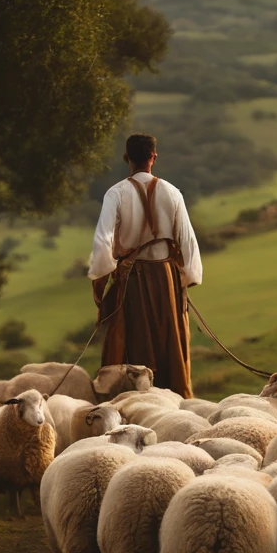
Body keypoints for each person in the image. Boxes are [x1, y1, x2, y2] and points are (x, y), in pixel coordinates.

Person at [87, 133, 203, 397]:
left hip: (131, 280)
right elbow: (188, 242)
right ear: (154, 156)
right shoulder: (172, 192)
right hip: (166, 278)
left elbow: (102, 242)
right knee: (170, 343)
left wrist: (101, 284)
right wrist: (185, 278)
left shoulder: (115, 193)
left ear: (127, 158)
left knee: (131, 343)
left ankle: (131, 401)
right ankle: (175, 400)